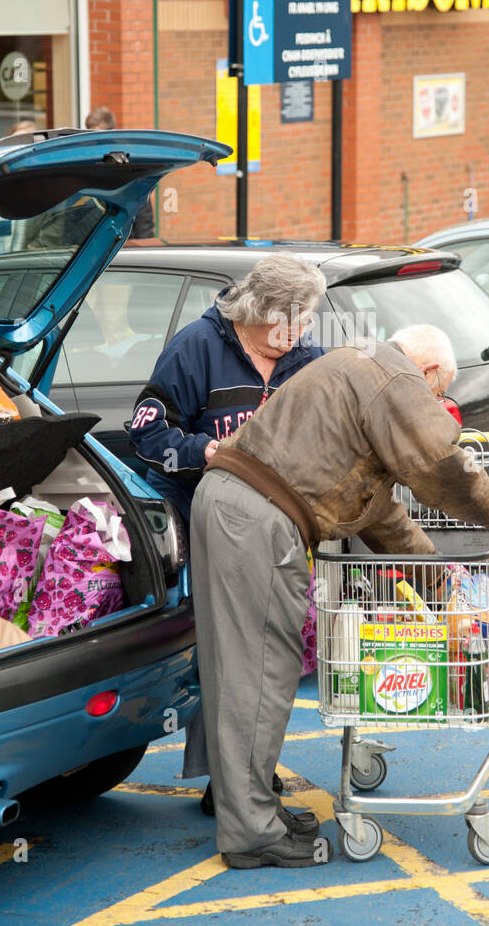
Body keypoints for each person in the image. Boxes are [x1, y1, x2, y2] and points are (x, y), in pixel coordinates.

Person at [191, 323, 489, 870]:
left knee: (234, 668)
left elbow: (378, 513)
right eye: (439, 396)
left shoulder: (356, 366)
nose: (436, 406)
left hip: (230, 504)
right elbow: (439, 463)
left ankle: (250, 809)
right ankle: (251, 833)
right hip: (257, 519)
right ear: (431, 374)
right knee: (259, 673)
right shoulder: (393, 375)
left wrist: (437, 582)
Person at [128, 255, 327, 807]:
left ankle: (243, 771)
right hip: (199, 515)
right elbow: (147, 431)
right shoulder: (198, 346)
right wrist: (206, 451)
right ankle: (231, 780)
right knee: (225, 652)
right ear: (262, 313)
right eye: (296, 321)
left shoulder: (307, 357)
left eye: (308, 322)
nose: (305, 333)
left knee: (267, 650)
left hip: (272, 522)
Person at [85, 106, 158, 243]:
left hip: (126, 243)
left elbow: (142, 213)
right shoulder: (88, 162)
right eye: (91, 137)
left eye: (98, 136)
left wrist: (144, 246)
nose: (95, 142)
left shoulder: (127, 165)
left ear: (111, 133)